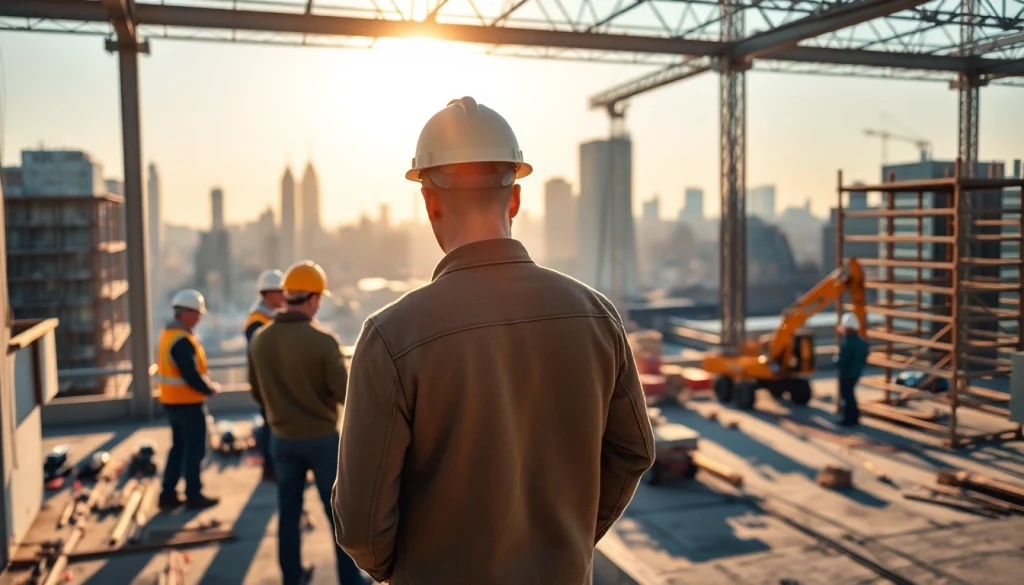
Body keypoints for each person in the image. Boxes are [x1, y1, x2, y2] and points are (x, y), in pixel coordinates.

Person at [332, 96, 656, 584]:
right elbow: (633, 451)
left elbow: (360, 526)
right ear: (516, 199)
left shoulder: (392, 337)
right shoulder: (597, 317)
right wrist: (569, 542)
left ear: (430, 202)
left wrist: (406, 570)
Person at [248, 261, 366, 585]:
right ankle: (349, 579)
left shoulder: (260, 340)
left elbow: (257, 392)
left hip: (282, 440)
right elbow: (346, 394)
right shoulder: (323, 342)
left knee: (289, 513)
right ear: (313, 299)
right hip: (322, 440)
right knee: (336, 516)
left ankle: (292, 577)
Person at [156, 289, 220, 510]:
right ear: (184, 313)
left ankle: (168, 494)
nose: (199, 318)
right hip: (187, 404)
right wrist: (208, 388)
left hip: (172, 402)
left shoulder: (168, 335)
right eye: (196, 313)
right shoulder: (182, 340)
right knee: (195, 450)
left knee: (178, 449)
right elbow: (190, 373)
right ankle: (193, 495)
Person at [244, 268, 286, 482]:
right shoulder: (257, 322)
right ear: (268, 294)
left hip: (272, 383)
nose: (284, 296)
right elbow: (263, 356)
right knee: (272, 428)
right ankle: (271, 469)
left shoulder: (268, 317)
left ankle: (274, 469)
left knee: (274, 426)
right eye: (281, 292)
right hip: (267, 385)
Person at [835, 312, 869, 427]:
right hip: (856, 373)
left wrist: (836, 360)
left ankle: (848, 419)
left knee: (847, 396)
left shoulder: (847, 343)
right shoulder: (862, 343)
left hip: (846, 374)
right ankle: (854, 417)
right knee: (851, 395)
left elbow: (841, 360)